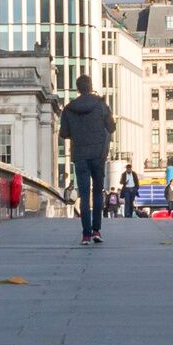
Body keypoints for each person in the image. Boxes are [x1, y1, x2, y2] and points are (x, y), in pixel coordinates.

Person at [59, 84, 116, 243]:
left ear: (78, 89)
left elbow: (64, 133)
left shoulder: (70, 108)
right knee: (97, 193)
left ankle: (86, 234)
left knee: (84, 195)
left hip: (80, 155)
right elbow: (112, 127)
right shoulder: (101, 104)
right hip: (98, 155)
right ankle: (96, 231)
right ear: (90, 87)